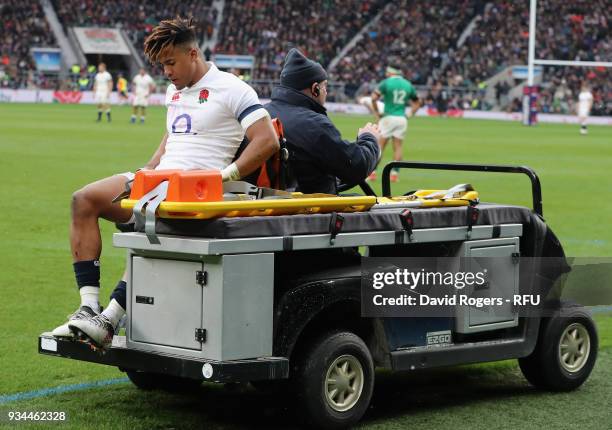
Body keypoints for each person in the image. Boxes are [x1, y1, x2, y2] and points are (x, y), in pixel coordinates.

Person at [51, 17, 279, 349]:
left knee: (156, 223)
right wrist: (147, 170)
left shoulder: (232, 88)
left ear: (194, 54)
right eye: (161, 64)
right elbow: (172, 136)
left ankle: (110, 320)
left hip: (194, 193)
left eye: (170, 62)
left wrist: (225, 175)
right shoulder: (174, 90)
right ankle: (89, 309)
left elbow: (267, 140)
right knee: (84, 199)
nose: (166, 72)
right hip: (159, 183)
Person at [264, 48, 380, 194]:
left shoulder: (262, 114)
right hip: (311, 210)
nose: (326, 91)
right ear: (315, 89)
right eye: (325, 86)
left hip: (270, 204)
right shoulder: (313, 124)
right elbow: (356, 167)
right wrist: (369, 138)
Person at [368, 66, 421, 183]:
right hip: (402, 118)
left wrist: (377, 112)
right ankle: (395, 174)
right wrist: (409, 115)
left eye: (387, 72)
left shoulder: (386, 83)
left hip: (388, 117)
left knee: (380, 146)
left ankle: (372, 172)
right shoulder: (408, 84)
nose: (386, 74)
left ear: (391, 73)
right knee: (398, 147)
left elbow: (373, 98)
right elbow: (418, 102)